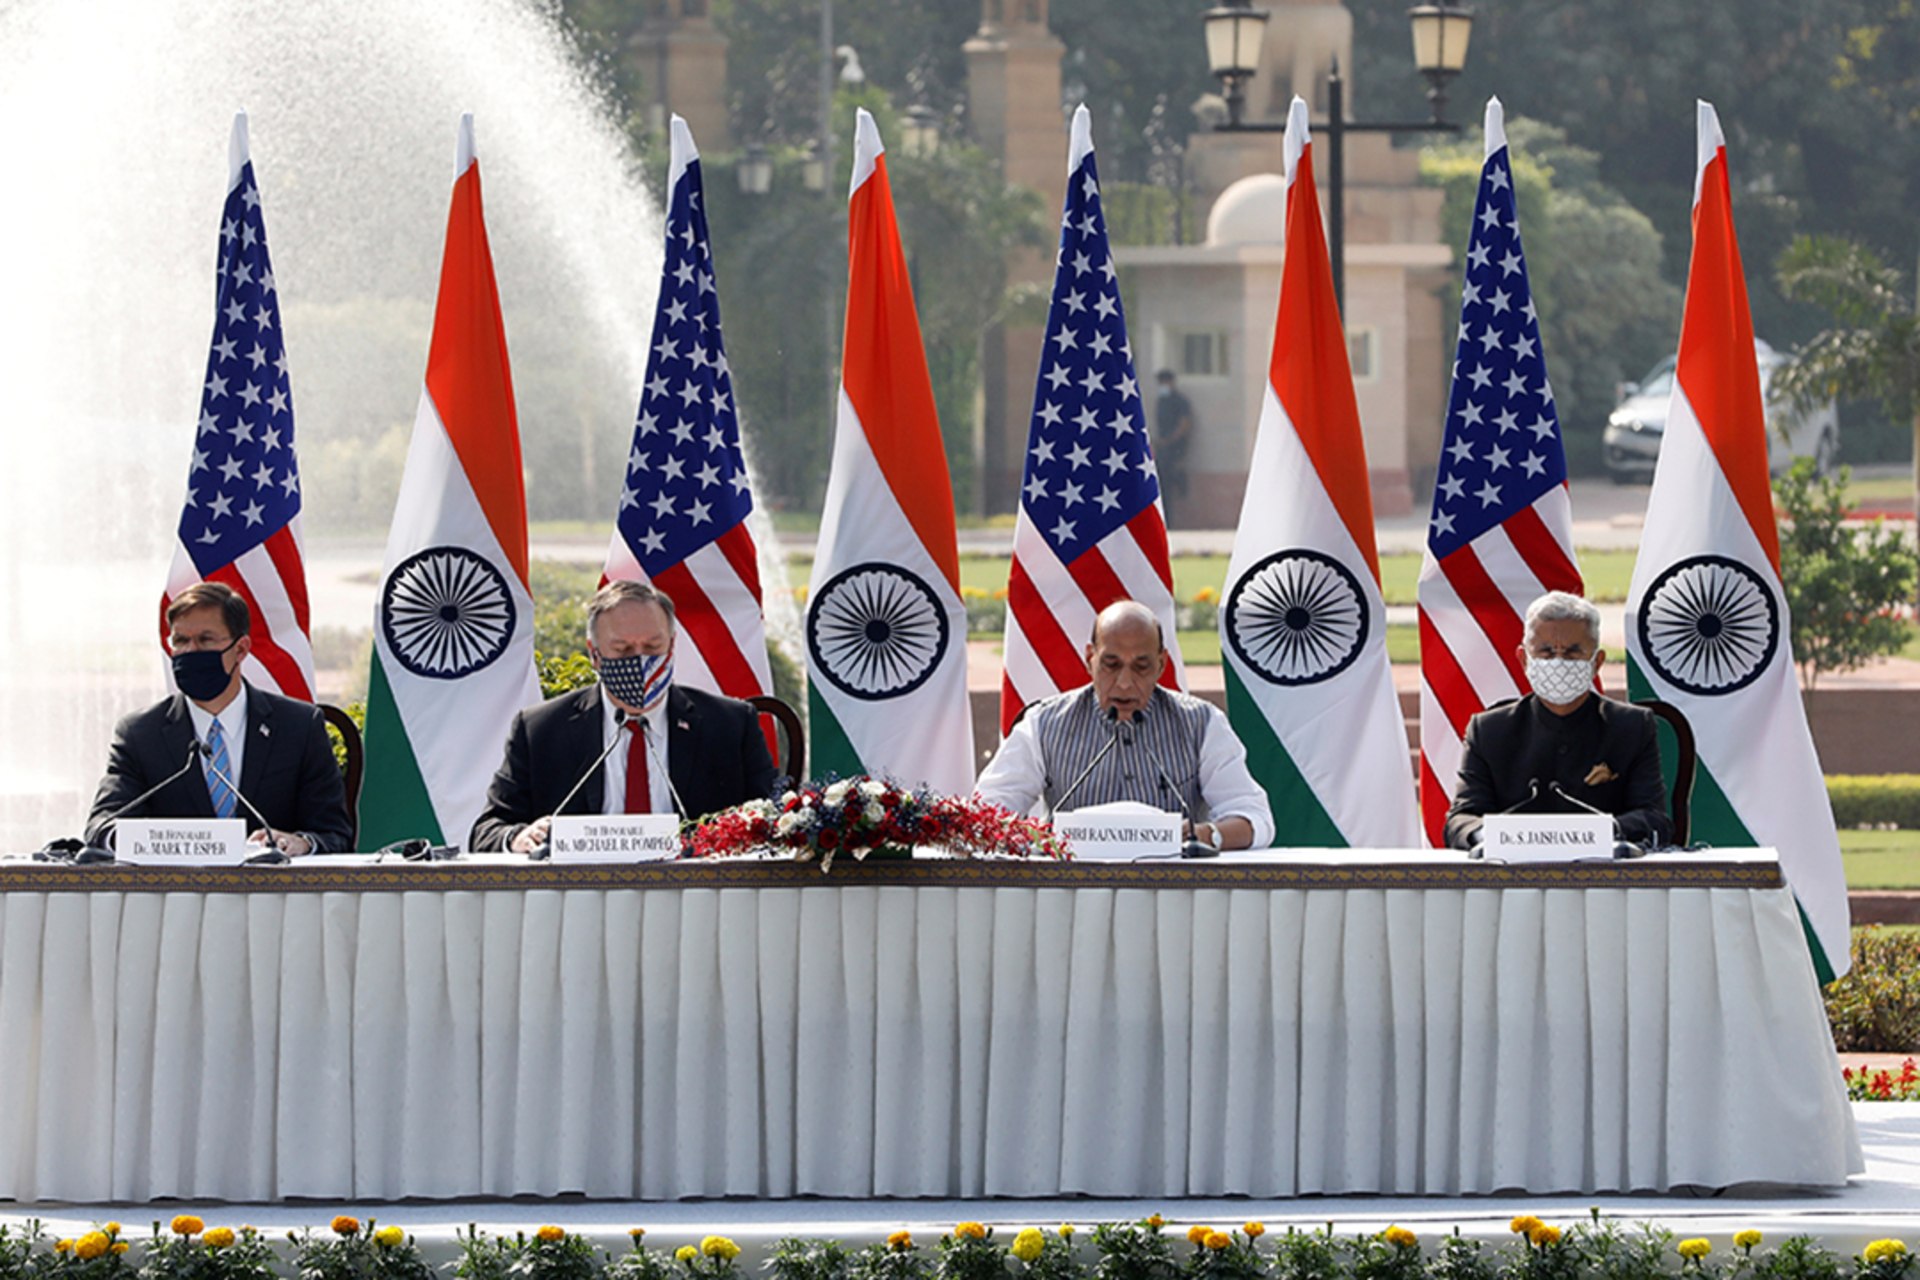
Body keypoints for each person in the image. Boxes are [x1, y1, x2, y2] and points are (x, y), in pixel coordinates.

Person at [470, 579, 777, 853]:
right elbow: (488, 830)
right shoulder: (541, 730)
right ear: (594, 653)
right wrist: (518, 837)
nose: (640, 661)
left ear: (672, 645)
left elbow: (775, 819)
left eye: (652, 647)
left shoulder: (730, 725)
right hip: (581, 893)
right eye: (623, 650)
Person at [976, 600, 1274, 850]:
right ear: (1090, 659)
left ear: (1161, 664)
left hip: (1172, 891)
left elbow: (1256, 820)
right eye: (1111, 664)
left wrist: (1205, 835)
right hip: (1072, 890)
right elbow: (985, 812)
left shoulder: (1201, 723)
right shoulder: (1043, 724)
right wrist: (1039, 837)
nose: (1125, 683)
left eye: (1141, 667)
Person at [85, 581, 353, 855]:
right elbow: (100, 828)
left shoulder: (299, 727)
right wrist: (153, 842)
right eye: (181, 641)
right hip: (176, 883)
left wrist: (301, 843)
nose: (190, 652)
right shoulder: (141, 734)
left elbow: (334, 834)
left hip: (270, 882)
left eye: (206, 640)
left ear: (241, 649)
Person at [1444, 591, 1672, 851]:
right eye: (1546, 651)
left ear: (1597, 662)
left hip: (1602, 871)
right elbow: (1462, 819)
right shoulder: (1490, 730)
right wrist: (1486, 836)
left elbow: (1654, 818)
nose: (1559, 661)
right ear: (1524, 660)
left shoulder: (1631, 726)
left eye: (1573, 652)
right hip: (1511, 870)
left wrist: (1601, 833)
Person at [1152, 369, 1194, 514]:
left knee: (1170, 480)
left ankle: (1181, 485)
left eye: (1164, 382)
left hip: (1175, 448)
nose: (1162, 385)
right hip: (1162, 448)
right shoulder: (1161, 401)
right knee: (1162, 485)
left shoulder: (1180, 401)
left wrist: (1169, 440)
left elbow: (1185, 424)